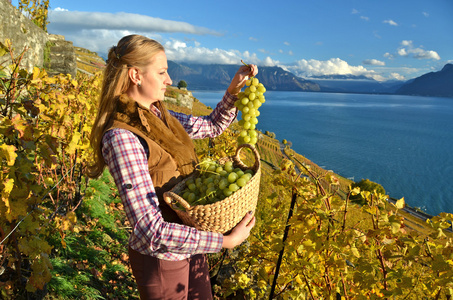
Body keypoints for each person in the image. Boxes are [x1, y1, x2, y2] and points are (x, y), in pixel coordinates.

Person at [87, 34, 257, 299]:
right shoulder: (122, 138)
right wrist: (224, 242)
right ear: (136, 75)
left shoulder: (160, 114)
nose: (169, 80)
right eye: (163, 72)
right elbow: (149, 229)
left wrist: (233, 91)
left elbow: (211, 126)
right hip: (162, 257)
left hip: (191, 244)